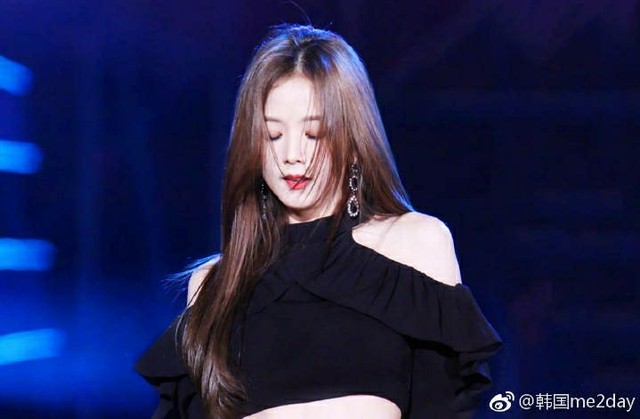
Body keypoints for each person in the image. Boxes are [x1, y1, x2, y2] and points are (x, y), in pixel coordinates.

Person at [135, 24, 503, 419]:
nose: (292, 154)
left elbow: (446, 404)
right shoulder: (214, 285)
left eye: (314, 133)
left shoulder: (413, 243)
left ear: (354, 138)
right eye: (273, 135)